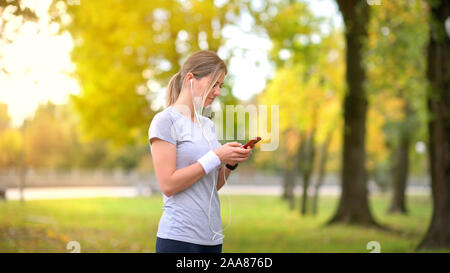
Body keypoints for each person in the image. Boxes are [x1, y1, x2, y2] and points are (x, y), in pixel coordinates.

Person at [148, 50, 254, 253]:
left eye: (220, 86)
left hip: (211, 239)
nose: (218, 92)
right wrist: (216, 156)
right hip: (179, 239)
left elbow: (211, 185)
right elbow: (168, 185)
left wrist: (230, 162)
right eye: (214, 84)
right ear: (190, 78)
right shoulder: (165, 121)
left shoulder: (207, 125)